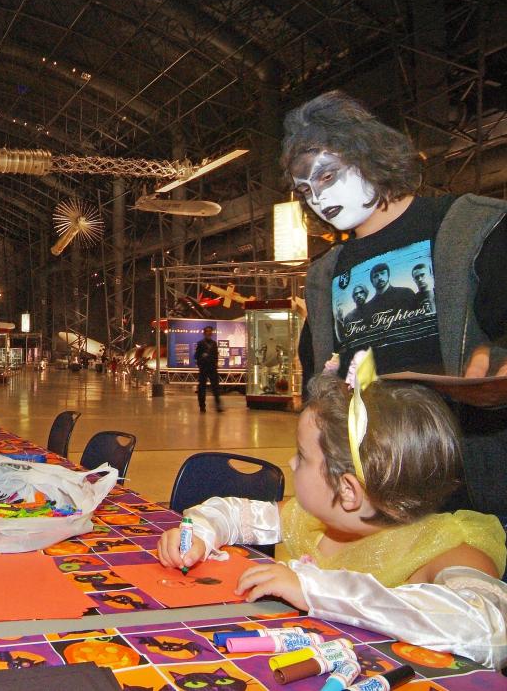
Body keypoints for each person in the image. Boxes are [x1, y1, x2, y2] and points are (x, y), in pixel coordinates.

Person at [158, 358, 507, 669]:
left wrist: (316, 588)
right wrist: (200, 533)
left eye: (302, 456)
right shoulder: (311, 520)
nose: (291, 463)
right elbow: (231, 513)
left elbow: (488, 626)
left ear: (347, 491)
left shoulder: (452, 547)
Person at [285, 90, 507, 521]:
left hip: (474, 497)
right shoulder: (326, 273)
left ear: (369, 156)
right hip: (374, 504)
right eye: (304, 188)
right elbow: (317, 377)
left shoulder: (468, 230)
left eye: (326, 176)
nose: (315, 197)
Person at [194, 326, 222, 412]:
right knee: (202, 388)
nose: (209, 333)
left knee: (215, 387)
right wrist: (202, 358)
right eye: (207, 331)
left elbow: (216, 355)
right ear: (204, 333)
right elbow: (196, 356)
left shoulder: (214, 344)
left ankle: (218, 405)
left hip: (212, 368)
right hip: (203, 368)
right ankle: (202, 406)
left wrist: (215, 363)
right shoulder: (200, 344)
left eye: (210, 331)